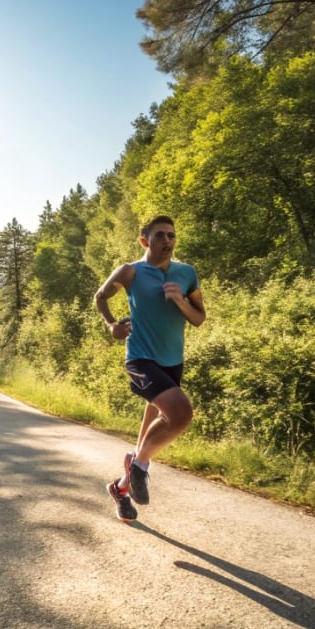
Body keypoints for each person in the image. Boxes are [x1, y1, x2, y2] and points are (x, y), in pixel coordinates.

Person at [93, 215, 206, 522]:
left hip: (172, 361)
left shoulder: (187, 273)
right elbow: (100, 296)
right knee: (181, 413)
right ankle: (140, 466)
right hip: (140, 359)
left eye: (171, 236)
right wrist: (112, 325)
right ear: (144, 240)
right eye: (159, 236)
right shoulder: (130, 272)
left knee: (150, 433)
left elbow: (198, 318)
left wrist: (180, 300)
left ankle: (121, 487)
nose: (167, 241)